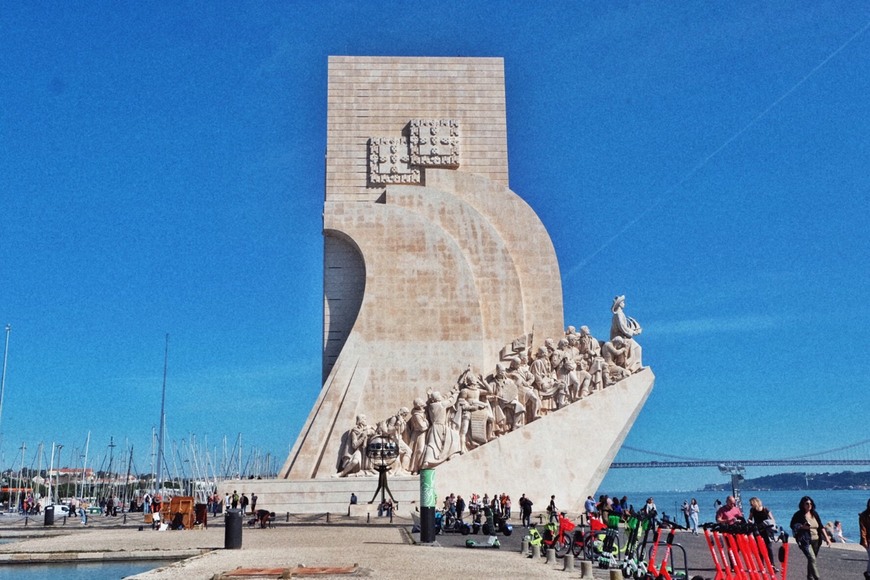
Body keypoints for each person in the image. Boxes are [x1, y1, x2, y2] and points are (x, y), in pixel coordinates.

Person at [790, 495, 831, 580]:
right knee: (812, 558)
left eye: (810, 504)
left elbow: (820, 526)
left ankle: (810, 577)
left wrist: (827, 538)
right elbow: (792, 525)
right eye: (807, 504)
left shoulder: (814, 513)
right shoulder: (799, 515)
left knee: (812, 560)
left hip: (816, 540)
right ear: (803, 504)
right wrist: (802, 527)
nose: (809, 505)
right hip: (805, 540)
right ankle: (817, 578)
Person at [748, 496, 776, 566]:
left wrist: (768, 524)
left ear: (755, 503)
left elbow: (772, 520)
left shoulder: (765, 509)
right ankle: (761, 564)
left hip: (766, 530)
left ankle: (772, 564)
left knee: (768, 547)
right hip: (757, 530)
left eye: (751, 504)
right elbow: (750, 518)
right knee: (759, 547)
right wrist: (750, 522)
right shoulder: (752, 510)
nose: (751, 505)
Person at [859, 497, 870, 580]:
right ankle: (868, 574)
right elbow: (863, 530)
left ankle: (868, 573)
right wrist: (864, 541)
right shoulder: (864, 515)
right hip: (868, 539)